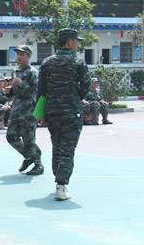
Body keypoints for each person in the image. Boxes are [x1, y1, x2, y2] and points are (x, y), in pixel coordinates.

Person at [38, 28, 91, 201]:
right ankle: (61, 185)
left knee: (57, 146)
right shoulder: (78, 62)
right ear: (69, 42)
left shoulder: (46, 63)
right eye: (76, 41)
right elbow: (86, 87)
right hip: (71, 112)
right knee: (68, 149)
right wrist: (75, 98)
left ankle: (58, 181)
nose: (77, 45)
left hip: (52, 112)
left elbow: (41, 91)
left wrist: (41, 113)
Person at [6, 45, 43, 176]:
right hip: (17, 109)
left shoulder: (33, 72)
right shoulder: (15, 71)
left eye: (22, 54)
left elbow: (35, 91)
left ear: (28, 56)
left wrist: (22, 84)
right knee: (11, 136)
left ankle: (38, 164)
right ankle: (29, 156)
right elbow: (15, 92)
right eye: (18, 54)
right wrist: (10, 90)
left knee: (28, 140)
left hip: (29, 110)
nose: (19, 56)